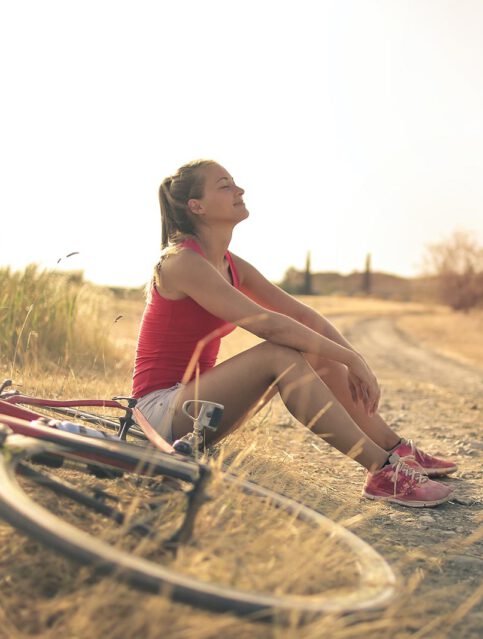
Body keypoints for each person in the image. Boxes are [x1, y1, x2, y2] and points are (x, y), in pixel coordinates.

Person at [132, 159, 457, 508]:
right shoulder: (181, 262)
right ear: (196, 206)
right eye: (224, 185)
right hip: (158, 413)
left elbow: (301, 314)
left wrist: (352, 359)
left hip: (199, 410)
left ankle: (396, 450)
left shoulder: (230, 264)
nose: (239, 190)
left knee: (317, 350)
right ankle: (381, 470)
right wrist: (349, 358)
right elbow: (267, 323)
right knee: (279, 353)